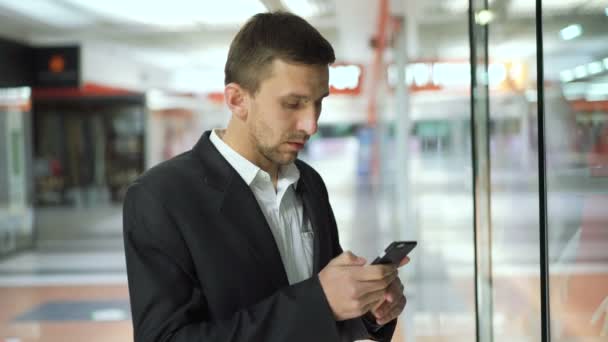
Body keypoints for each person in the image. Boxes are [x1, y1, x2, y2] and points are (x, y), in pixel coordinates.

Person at [123, 11, 409, 342]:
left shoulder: (309, 184)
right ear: (237, 100)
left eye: (318, 103)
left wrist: (368, 310)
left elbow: (325, 319)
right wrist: (319, 301)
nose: (311, 124)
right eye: (293, 104)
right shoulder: (161, 197)